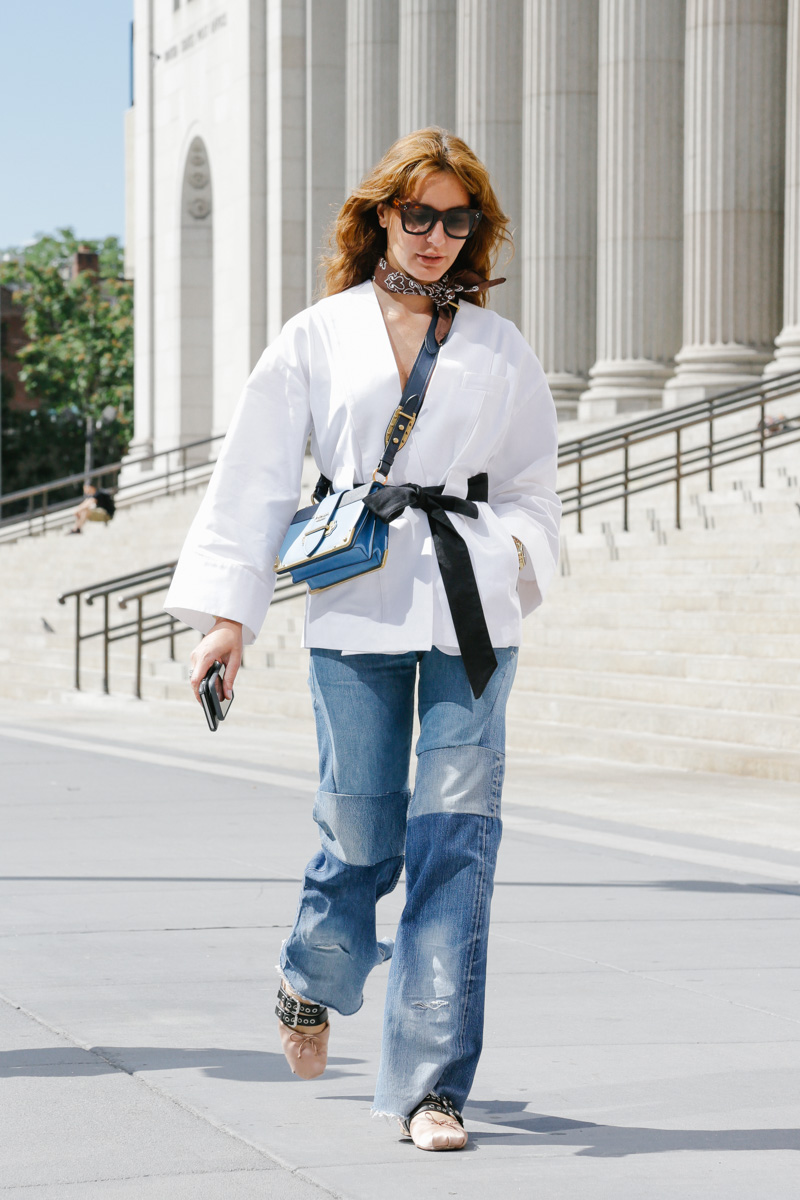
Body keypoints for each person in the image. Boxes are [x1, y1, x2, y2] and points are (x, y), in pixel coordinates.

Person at [164, 128, 561, 1152]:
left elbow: (533, 484)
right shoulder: (317, 334)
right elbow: (255, 478)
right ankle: (314, 970)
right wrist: (228, 618)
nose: (434, 235)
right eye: (417, 213)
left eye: (455, 219)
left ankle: (431, 1088)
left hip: (471, 611)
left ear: (473, 230)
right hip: (354, 605)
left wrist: (510, 553)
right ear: (382, 214)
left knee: (455, 841)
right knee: (360, 829)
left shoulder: (499, 346)